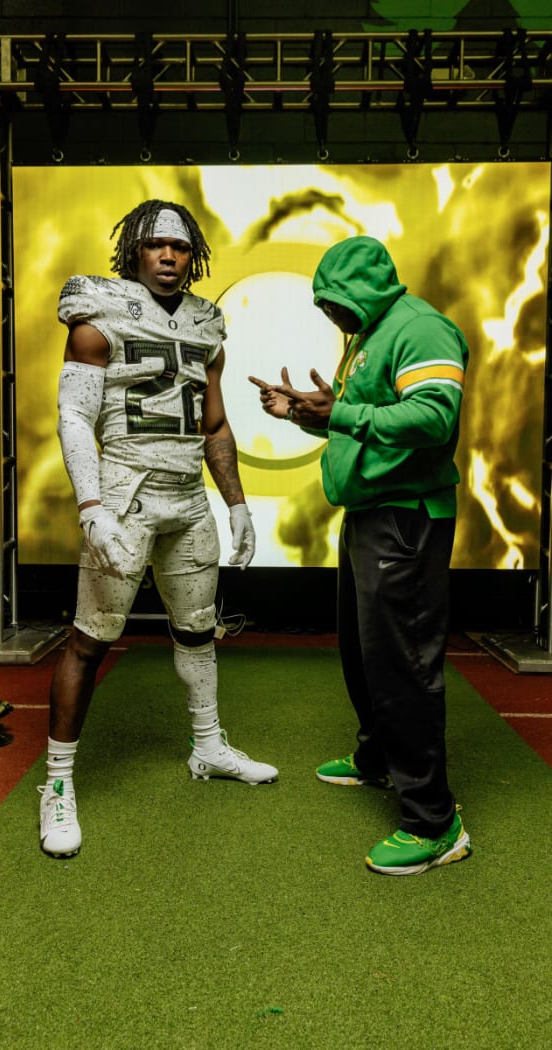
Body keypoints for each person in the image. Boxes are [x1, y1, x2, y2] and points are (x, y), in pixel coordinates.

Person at [39, 199, 278, 858]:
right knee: (90, 640)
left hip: (186, 499)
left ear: (192, 253)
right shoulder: (98, 310)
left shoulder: (206, 322)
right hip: (124, 492)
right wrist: (92, 508)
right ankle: (57, 785)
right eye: (155, 245)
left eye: (179, 246)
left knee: (198, 630)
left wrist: (236, 503)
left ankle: (207, 747)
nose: (169, 256)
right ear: (133, 252)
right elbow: (73, 416)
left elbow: (216, 424)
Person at [249, 234, 471, 876]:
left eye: (336, 303)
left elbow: (433, 419)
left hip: (407, 519)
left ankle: (434, 822)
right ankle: (378, 757)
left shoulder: (421, 329)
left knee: (403, 663)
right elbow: (364, 416)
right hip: (372, 513)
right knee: (362, 648)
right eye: (324, 305)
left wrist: (341, 410)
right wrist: (305, 415)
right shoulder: (370, 333)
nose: (330, 316)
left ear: (366, 290)